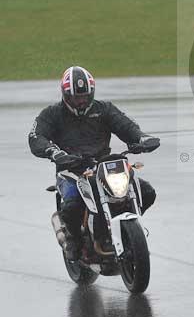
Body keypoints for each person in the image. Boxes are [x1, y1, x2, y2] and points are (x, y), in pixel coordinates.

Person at [28, 66, 160, 260]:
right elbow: (36, 136)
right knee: (72, 206)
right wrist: (54, 152)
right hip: (70, 170)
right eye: (75, 97)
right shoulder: (52, 114)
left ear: (92, 93)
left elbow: (126, 126)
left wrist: (141, 139)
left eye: (85, 96)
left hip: (102, 166)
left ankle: (126, 229)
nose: (81, 101)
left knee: (147, 192)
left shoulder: (104, 109)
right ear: (65, 95)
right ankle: (74, 240)